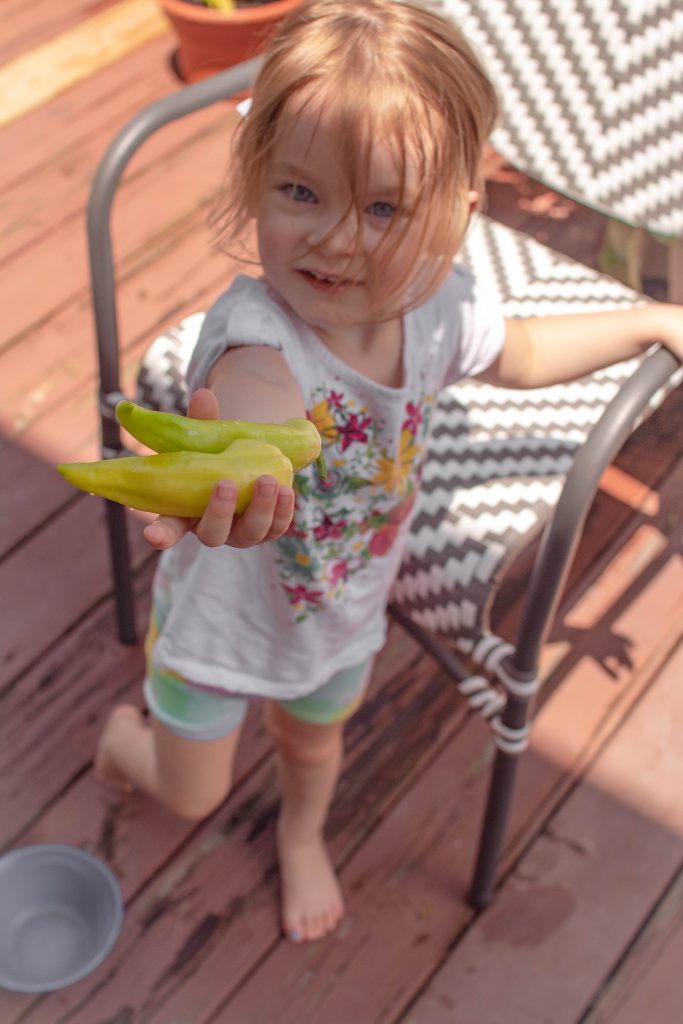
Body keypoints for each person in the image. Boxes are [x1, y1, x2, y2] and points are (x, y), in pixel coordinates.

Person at [95, 0, 683, 943]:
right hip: (223, 619)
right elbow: (257, 402)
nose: (335, 239)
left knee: (313, 742)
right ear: (255, 183)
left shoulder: (441, 314)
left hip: (344, 604)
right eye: (300, 193)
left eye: (380, 207)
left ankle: (298, 834)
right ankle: (124, 741)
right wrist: (248, 458)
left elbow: (525, 355)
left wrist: (651, 322)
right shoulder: (257, 333)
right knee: (190, 791)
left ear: (458, 213)